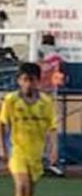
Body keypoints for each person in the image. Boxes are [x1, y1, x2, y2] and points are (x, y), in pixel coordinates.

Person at [0, 62, 57, 196]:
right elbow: (2, 124)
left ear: (38, 82)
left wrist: (53, 149)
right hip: (18, 151)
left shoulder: (46, 102)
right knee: (22, 185)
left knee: (30, 191)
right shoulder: (11, 100)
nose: (28, 84)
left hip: (36, 154)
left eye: (31, 80)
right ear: (18, 81)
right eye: (24, 80)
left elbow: (52, 128)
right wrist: (2, 147)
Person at [38, 34, 66, 177]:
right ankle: (49, 161)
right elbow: (60, 79)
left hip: (41, 96)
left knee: (46, 129)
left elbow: (58, 78)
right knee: (50, 129)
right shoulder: (56, 58)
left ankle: (47, 161)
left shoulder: (40, 56)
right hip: (48, 96)